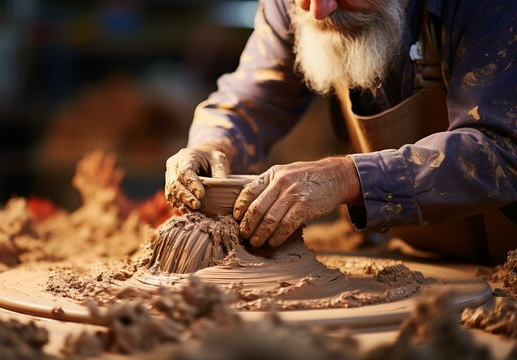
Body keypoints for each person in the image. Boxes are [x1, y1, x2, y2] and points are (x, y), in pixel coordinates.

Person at [164, 0, 516, 263]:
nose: (318, 10)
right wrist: (214, 142)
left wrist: (348, 179)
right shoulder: (302, 4)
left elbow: (503, 147)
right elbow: (248, 102)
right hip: (420, 256)